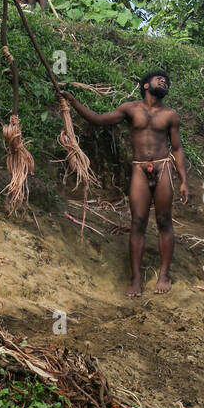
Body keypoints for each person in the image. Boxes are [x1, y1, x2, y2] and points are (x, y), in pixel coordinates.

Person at [63, 71, 189, 297]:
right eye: (158, 78)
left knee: (163, 220)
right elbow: (99, 120)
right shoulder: (130, 109)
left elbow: (177, 149)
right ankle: (136, 279)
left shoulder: (170, 114)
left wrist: (184, 181)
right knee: (138, 221)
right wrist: (73, 102)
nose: (163, 81)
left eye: (166, 80)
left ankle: (164, 275)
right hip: (140, 167)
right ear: (145, 85)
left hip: (163, 167)